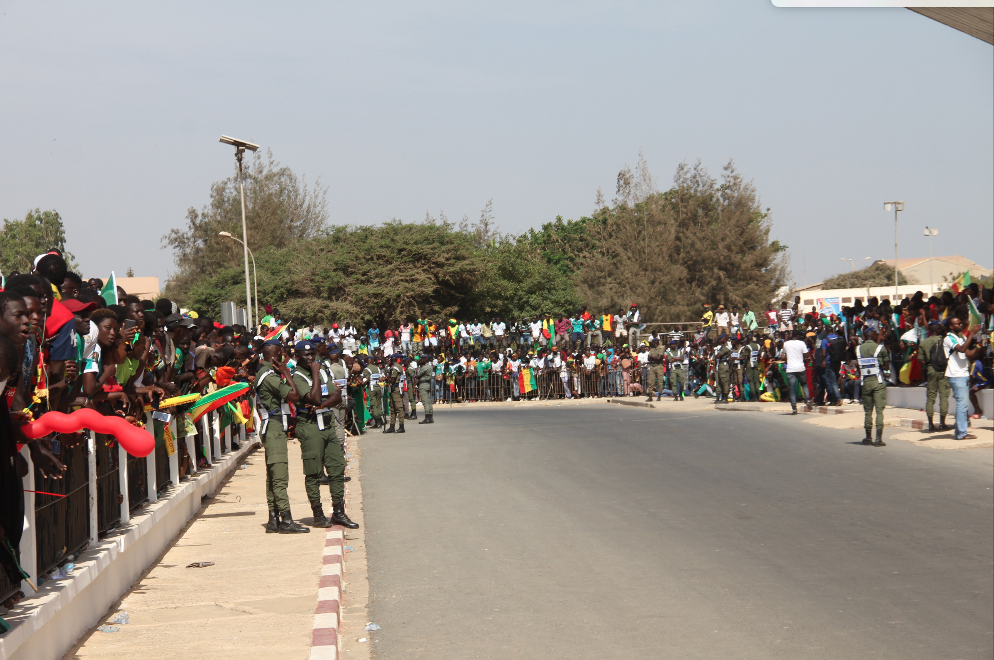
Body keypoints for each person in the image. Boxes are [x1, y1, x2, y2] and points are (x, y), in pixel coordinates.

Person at [290, 341, 358, 529]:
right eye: (306, 355)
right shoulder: (298, 376)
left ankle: (338, 512)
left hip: (326, 421)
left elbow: (336, 395)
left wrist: (321, 404)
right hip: (310, 425)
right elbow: (311, 397)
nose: (311, 358)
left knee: (337, 468)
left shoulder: (320, 371)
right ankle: (318, 515)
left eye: (312, 354)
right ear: (297, 357)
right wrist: (315, 378)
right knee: (313, 472)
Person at [255, 340, 308, 533]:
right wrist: (286, 372)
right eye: (283, 354)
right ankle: (286, 520)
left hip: (274, 426)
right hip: (274, 428)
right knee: (279, 475)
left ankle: (273, 519)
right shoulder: (270, 376)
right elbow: (295, 396)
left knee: (272, 475)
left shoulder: (267, 373)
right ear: (277, 356)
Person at [943, 316, 982, 441]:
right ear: (950, 326)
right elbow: (961, 348)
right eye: (957, 323)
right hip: (956, 375)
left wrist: (980, 346)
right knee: (962, 405)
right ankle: (961, 433)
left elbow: (968, 354)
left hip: (963, 374)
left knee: (963, 405)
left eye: (960, 323)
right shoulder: (949, 338)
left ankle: (961, 432)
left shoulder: (961, 337)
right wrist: (971, 334)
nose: (960, 325)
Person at [857, 329, 889, 446]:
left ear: (864, 336)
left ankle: (868, 437)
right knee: (879, 411)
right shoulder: (881, 348)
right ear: (874, 336)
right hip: (878, 381)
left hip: (865, 381)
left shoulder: (858, 348)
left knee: (868, 411)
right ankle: (878, 439)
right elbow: (886, 366)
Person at [918, 320, 950, 433]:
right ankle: (942, 424)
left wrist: (929, 364)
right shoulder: (945, 341)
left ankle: (931, 424)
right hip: (944, 370)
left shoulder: (924, 342)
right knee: (944, 396)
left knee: (931, 397)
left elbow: (921, 360)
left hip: (931, 369)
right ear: (939, 329)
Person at [783, 329, 809, 414]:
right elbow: (806, 354)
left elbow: (783, 356)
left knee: (792, 389)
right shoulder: (802, 343)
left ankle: (794, 408)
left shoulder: (786, 343)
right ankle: (807, 400)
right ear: (798, 336)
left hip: (790, 369)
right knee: (804, 384)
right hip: (800, 368)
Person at [383, 354, 407, 433]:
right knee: (392, 409)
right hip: (394, 389)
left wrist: (387, 378)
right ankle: (392, 426)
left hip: (396, 389)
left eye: (390, 359)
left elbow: (393, 380)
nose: (389, 360)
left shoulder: (396, 367)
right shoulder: (395, 367)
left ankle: (401, 426)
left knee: (399, 408)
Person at [645, 338, 666, 402]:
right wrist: (654, 358)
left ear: (655, 342)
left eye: (652, 342)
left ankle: (659, 396)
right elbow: (649, 358)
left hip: (659, 366)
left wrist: (652, 357)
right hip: (653, 367)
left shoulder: (661, 349)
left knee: (660, 382)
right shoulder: (652, 349)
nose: (651, 343)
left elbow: (659, 358)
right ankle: (650, 397)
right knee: (651, 382)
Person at [713, 333, 731, 404]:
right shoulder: (721, 347)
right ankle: (719, 398)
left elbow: (718, 356)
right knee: (719, 382)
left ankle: (725, 398)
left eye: (721, 339)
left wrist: (716, 356)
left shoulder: (726, 347)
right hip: (720, 366)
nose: (720, 340)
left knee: (724, 382)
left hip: (724, 365)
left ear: (724, 339)